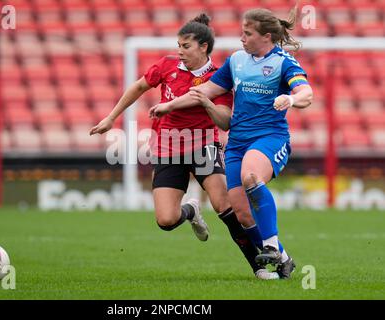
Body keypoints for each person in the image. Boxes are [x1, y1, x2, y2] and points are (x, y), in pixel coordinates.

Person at [90, 13, 279, 280]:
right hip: (167, 147)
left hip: (203, 144)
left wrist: (207, 103)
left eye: (185, 46)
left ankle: (260, 265)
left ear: (203, 47)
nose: (179, 52)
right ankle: (191, 210)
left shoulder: (219, 77)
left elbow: (224, 121)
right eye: (178, 45)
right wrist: (111, 118)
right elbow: (139, 86)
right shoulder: (166, 66)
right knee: (165, 221)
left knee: (224, 203)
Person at [149, 7, 313, 279]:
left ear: (266, 37)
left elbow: (306, 93)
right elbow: (205, 90)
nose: (242, 38)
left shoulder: (284, 63)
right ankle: (283, 258)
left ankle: (270, 245)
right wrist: (169, 105)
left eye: (247, 34)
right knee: (242, 213)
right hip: (237, 142)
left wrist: (291, 99)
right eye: (242, 33)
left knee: (251, 176)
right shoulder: (237, 61)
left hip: (269, 137)